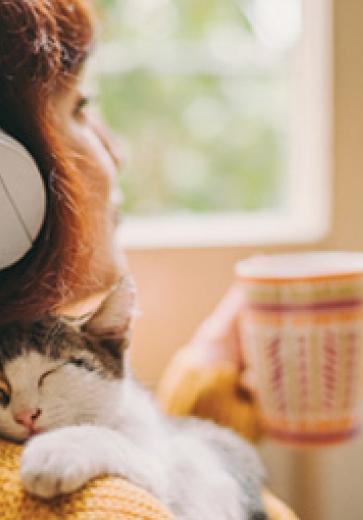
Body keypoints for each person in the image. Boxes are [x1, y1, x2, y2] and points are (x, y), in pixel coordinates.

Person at [0, 1, 296, 518]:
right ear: (9, 176)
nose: (117, 150)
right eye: (80, 108)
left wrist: (205, 397)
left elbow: (164, 482)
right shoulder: (98, 506)